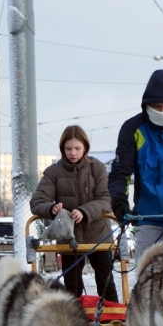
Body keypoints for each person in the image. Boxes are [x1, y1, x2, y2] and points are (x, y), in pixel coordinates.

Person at [30, 125, 119, 303]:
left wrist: (84, 212)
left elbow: (106, 199)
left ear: (85, 147)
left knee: (106, 283)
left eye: (77, 148)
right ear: (62, 148)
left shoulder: (97, 168)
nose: (73, 153)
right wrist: (52, 209)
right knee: (72, 287)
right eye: (68, 148)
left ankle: (115, 323)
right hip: (68, 239)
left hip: (98, 236)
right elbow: (37, 202)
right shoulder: (54, 172)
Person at [108, 69, 163, 260]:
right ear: (147, 105)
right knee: (147, 278)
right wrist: (119, 201)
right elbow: (120, 173)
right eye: (157, 106)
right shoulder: (132, 129)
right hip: (148, 219)